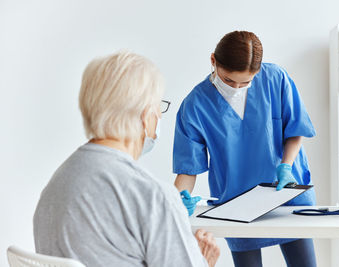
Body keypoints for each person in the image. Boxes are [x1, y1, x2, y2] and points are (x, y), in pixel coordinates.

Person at [33, 51, 220, 267]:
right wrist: (203, 262)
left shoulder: (54, 188)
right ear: (145, 115)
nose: (159, 116)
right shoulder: (152, 197)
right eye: (158, 106)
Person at [173, 31, 317, 267]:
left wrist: (286, 165)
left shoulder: (275, 78)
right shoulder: (195, 105)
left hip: (286, 193)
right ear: (213, 61)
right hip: (237, 205)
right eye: (229, 80)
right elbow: (188, 169)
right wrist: (177, 200)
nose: (237, 88)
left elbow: (295, 128)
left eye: (246, 82)